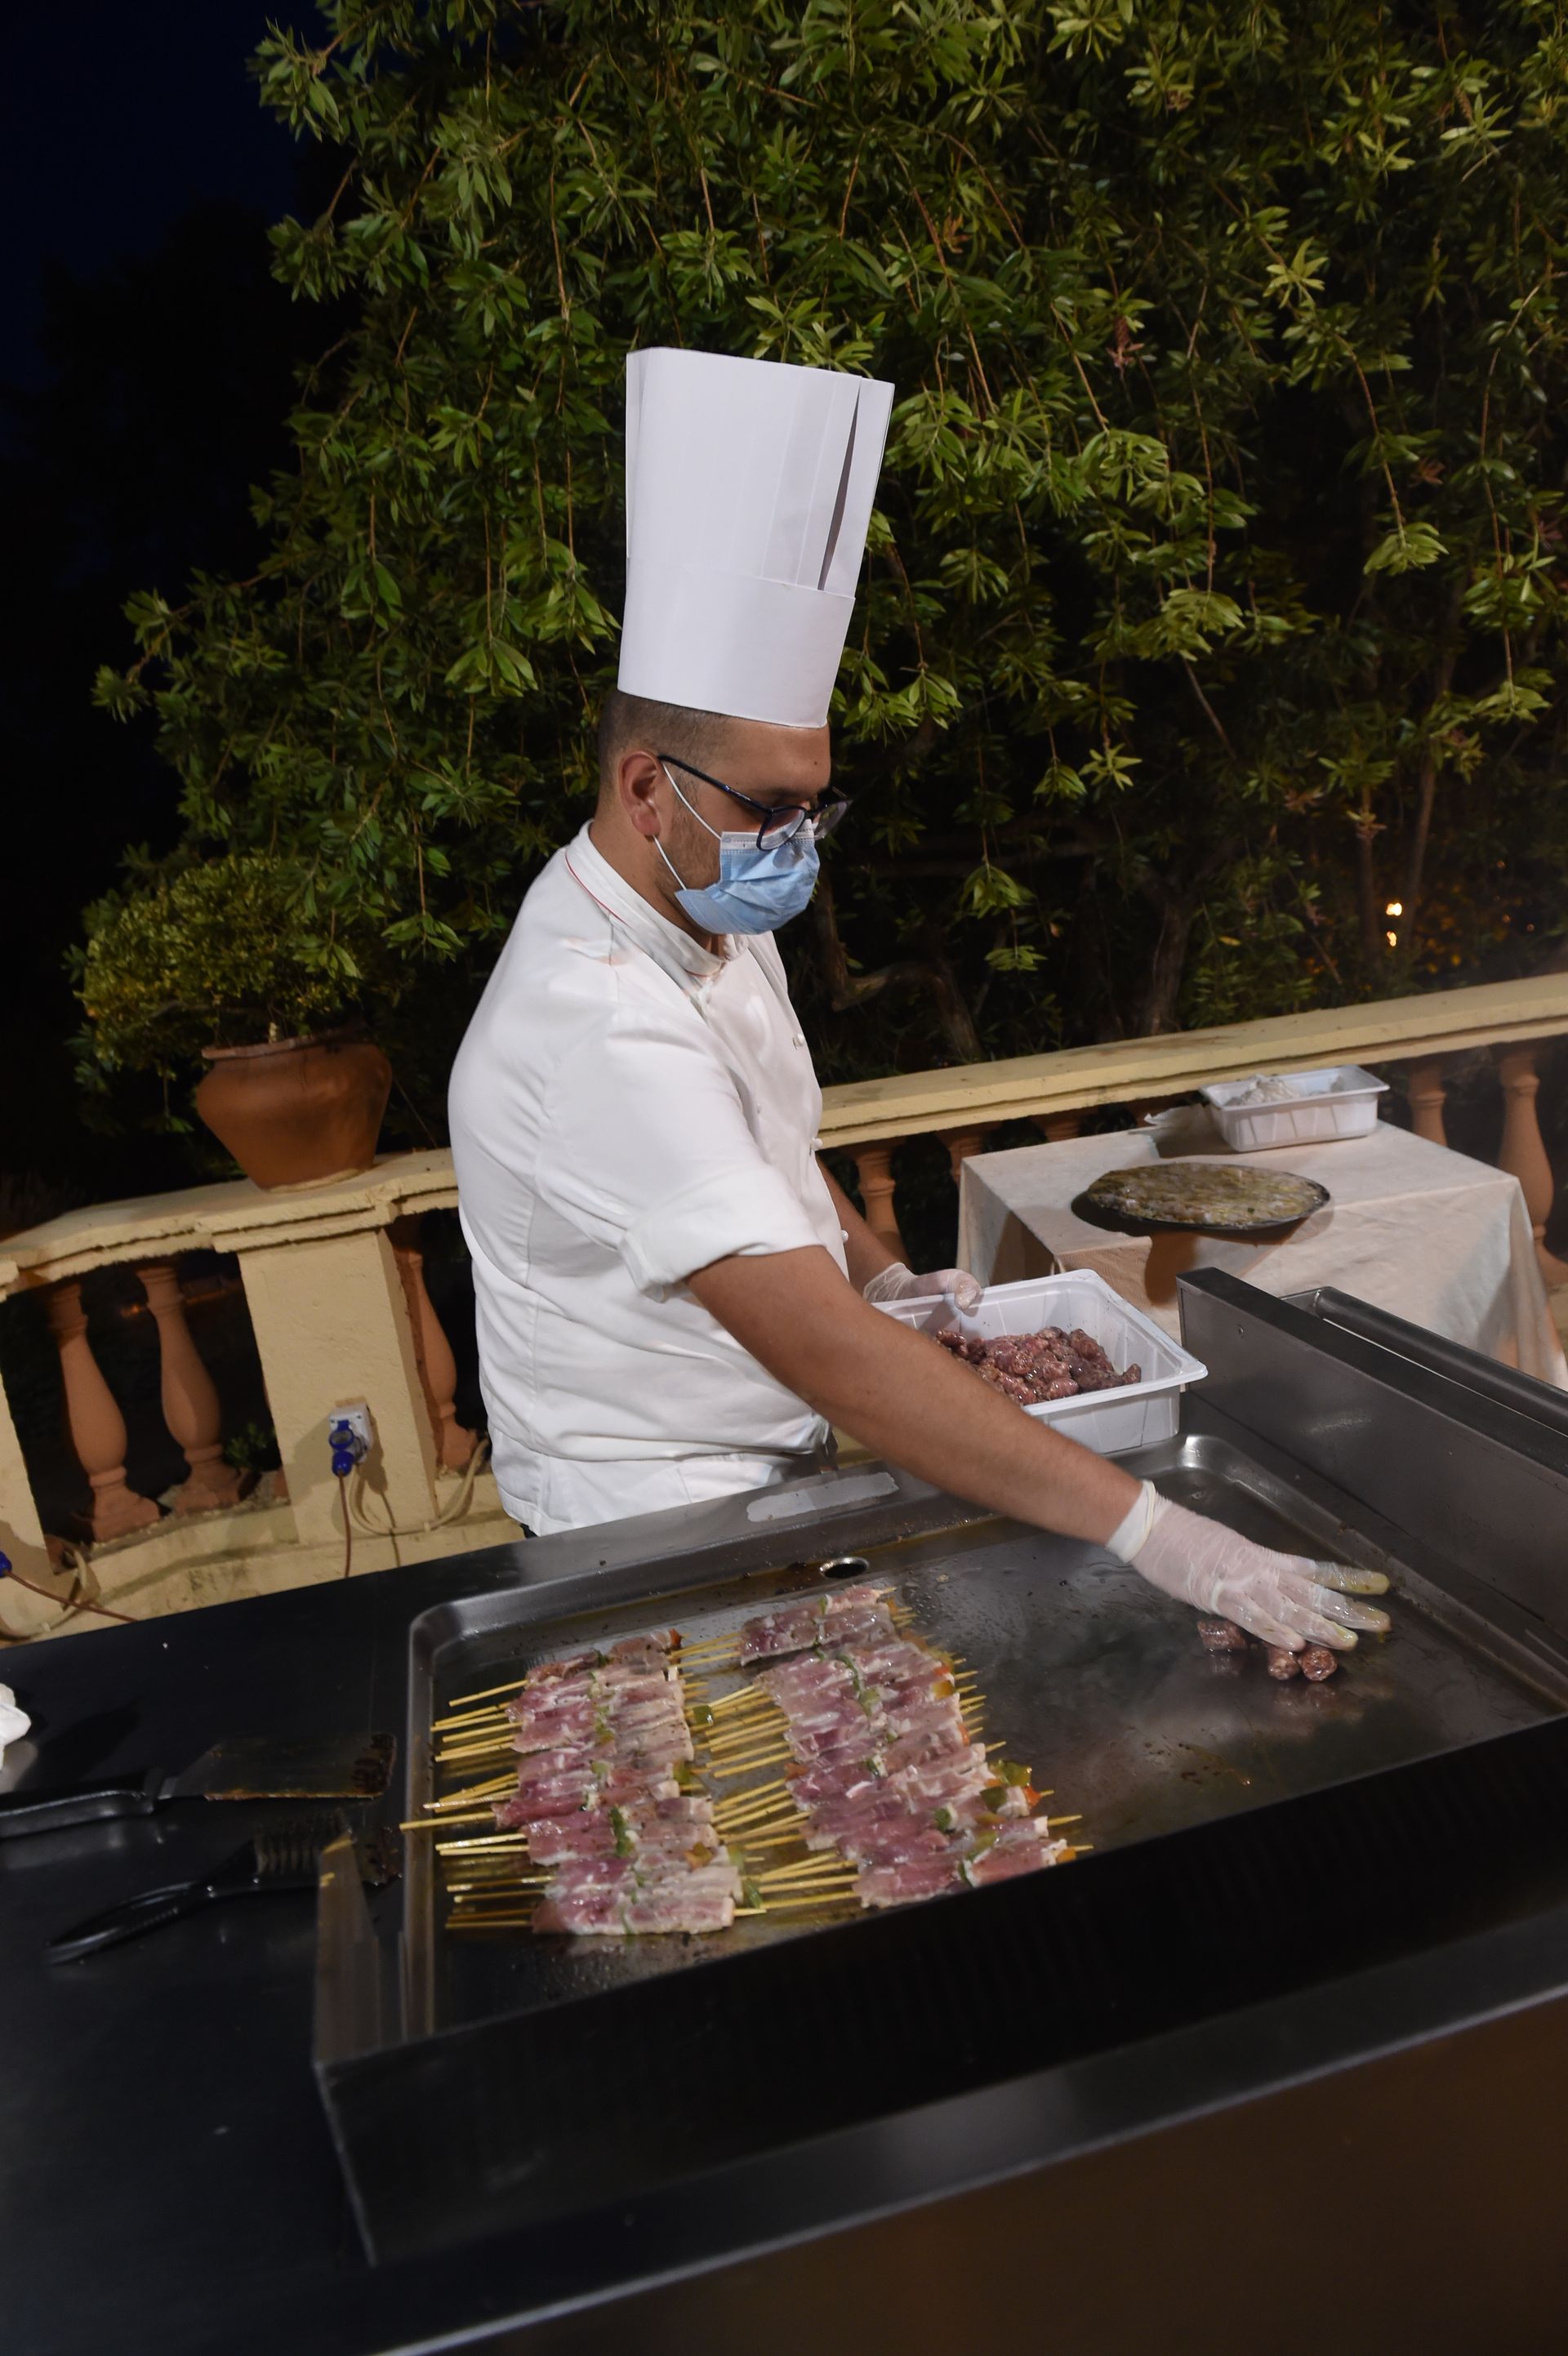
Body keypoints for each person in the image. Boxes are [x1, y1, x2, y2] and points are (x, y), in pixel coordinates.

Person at [449, 348, 1389, 1656]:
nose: (798, 841)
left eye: (811, 802)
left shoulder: (703, 916)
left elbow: (765, 1153)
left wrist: (891, 1277)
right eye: (768, 809)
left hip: (771, 1473)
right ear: (644, 786)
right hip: (652, 1532)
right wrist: (1164, 1532)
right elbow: (832, 1358)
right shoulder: (595, 1021)